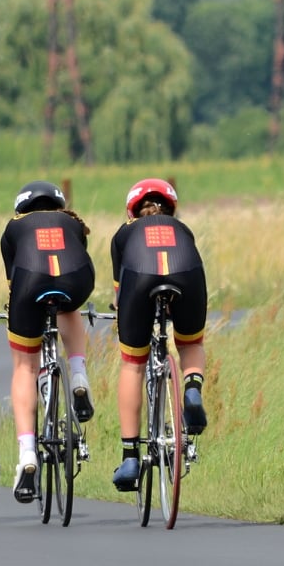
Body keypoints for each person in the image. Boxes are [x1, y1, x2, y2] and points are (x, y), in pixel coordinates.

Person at [0, 180, 97, 504]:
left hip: (29, 283)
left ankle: (27, 454)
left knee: (24, 366)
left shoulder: (13, 228)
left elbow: (15, 284)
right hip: (77, 280)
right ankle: (78, 375)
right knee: (69, 306)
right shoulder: (72, 222)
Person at [108, 178, 209, 492]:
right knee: (191, 343)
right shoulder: (183, 230)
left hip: (139, 279)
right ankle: (192, 389)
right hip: (187, 275)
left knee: (132, 364)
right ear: (171, 208)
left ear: (133, 212)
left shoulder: (124, 233)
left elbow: (118, 291)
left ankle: (129, 458)